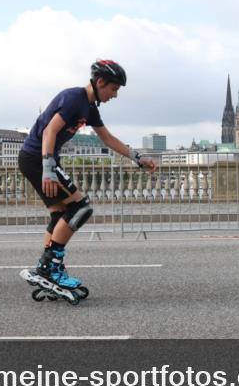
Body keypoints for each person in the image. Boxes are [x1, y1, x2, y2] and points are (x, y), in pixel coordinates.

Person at [17, 59, 156, 304]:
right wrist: (49, 169)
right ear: (100, 82)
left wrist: (137, 157)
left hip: (38, 158)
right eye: (113, 89)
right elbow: (49, 131)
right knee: (81, 207)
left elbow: (108, 139)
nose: (115, 95)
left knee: (60, 215)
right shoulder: (74, 98)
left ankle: (50, 271)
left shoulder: (89, 108)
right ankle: (49, 268)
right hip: (38, 158)